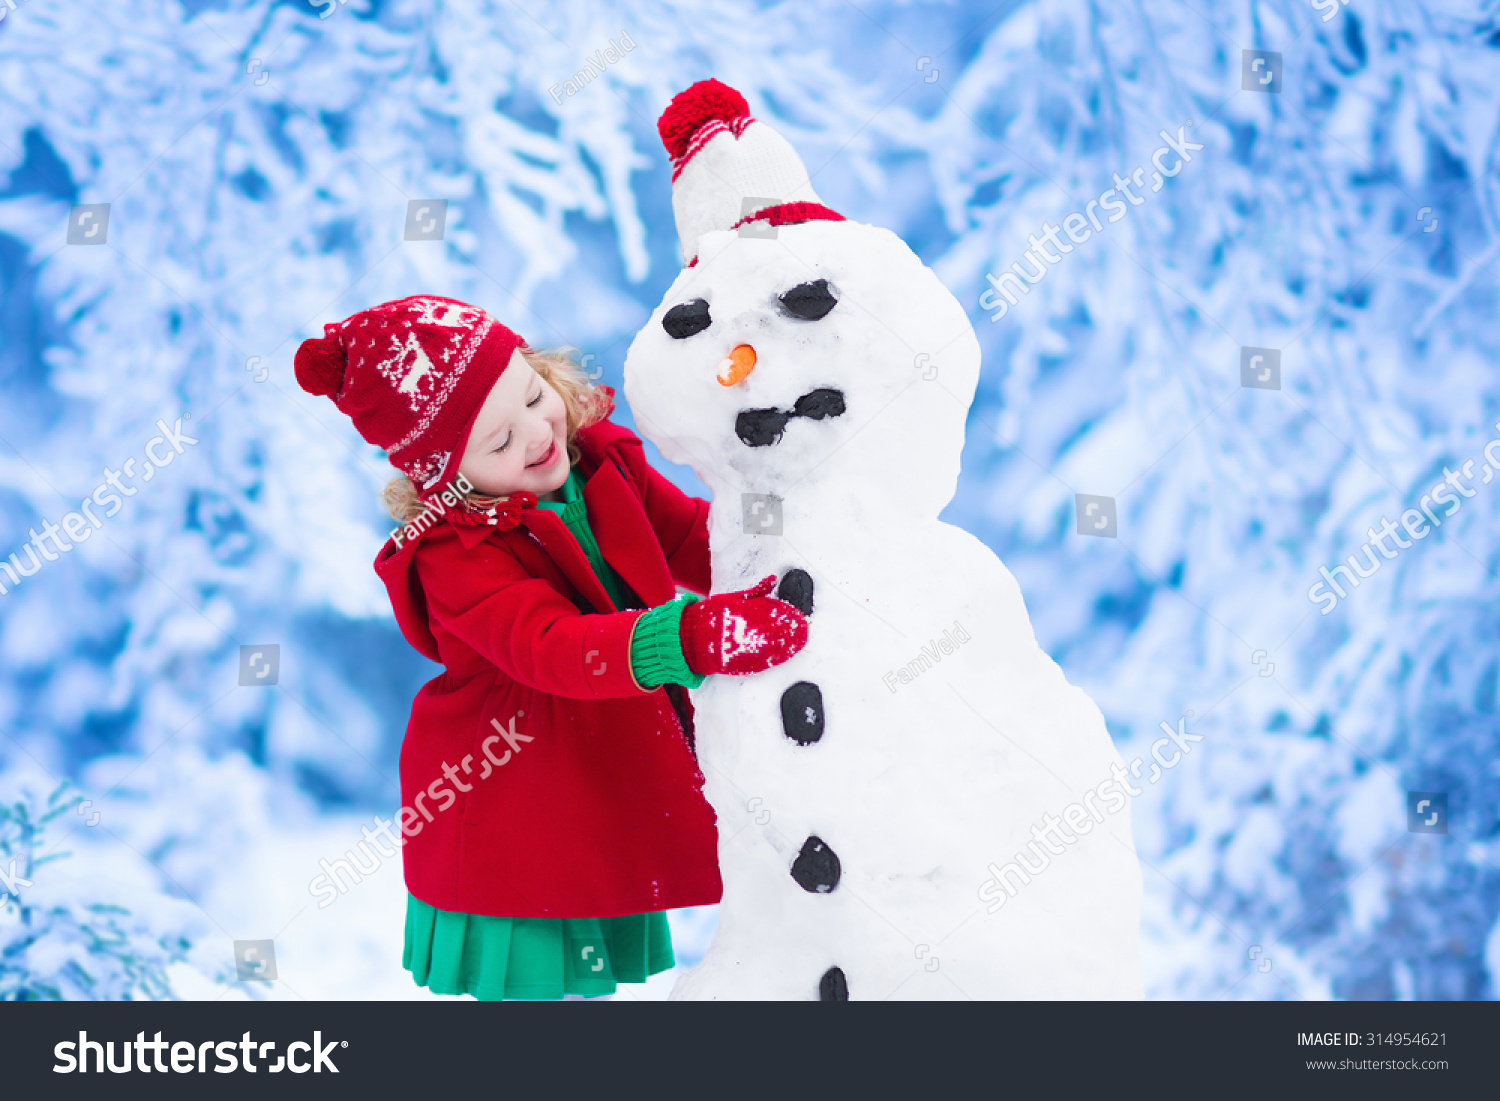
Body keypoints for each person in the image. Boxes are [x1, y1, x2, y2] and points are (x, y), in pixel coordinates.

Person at [294, 294, 808, 999]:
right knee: (531, 977)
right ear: (448, 477)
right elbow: (552, 647)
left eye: (535, 396)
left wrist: (783, 543)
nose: (537, 434)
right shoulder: (456, 553)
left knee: (593, 964)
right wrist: (691, 635)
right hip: (512, 796)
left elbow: (689, 534)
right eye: (498, 443)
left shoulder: (595, 460)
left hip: (593, 762)